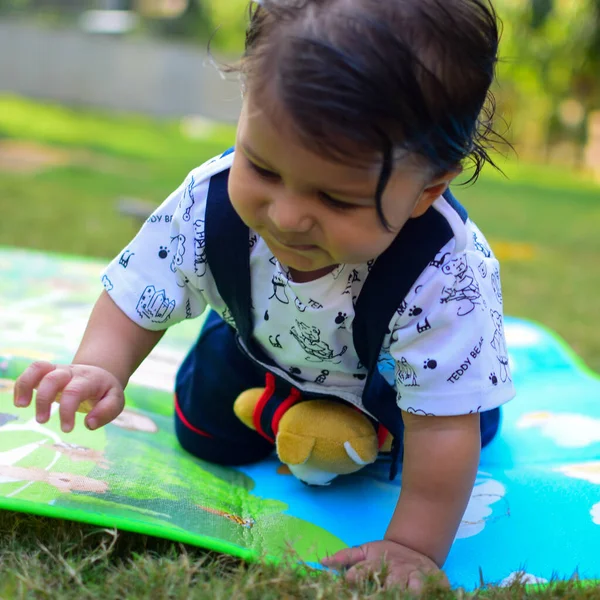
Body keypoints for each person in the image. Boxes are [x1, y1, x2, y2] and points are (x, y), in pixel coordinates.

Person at [14, 0, 515, 591]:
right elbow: (139, 289)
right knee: (202, 430)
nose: (286, 217)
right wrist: (99, 366)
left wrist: (411, 545)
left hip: (389, 382)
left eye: (335, 200)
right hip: (256, 344)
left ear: (427, 189)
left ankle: (360, 431)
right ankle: (284, 411)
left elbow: (442, 427)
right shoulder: (210, 203)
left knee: (453, 434)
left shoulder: (446, 273)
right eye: (263, 168)